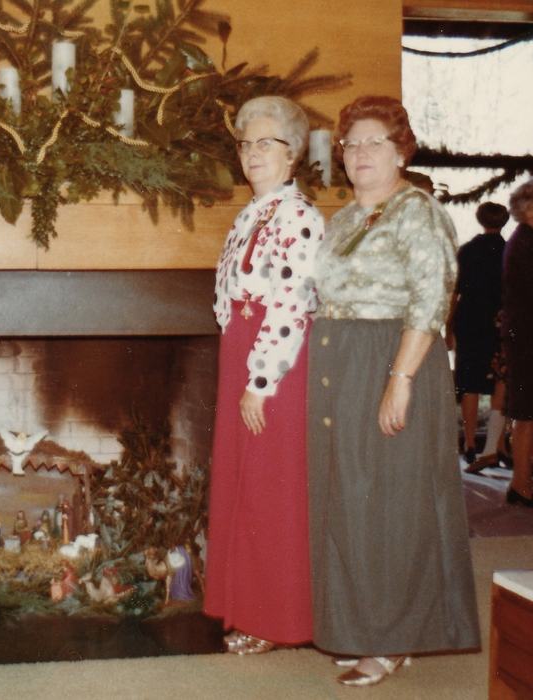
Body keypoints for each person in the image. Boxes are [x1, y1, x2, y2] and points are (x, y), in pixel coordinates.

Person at [308, 96, 480, 686]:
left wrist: (399, 381)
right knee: (350, 502)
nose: (359, 153)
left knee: (391, 505)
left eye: (373, 142)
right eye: (350, 143)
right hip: (343, 365)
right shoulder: (344, 218)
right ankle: (360, 626)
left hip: (395, 360)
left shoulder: (419, 212)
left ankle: (393, 638)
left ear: (400, 150)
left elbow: (431, 302)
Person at [203, 96, 323, 655]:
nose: (253, 153)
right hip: (242, 353)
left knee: (268, 491)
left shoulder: (298, 216)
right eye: (247, 143)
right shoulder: (253, 211)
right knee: (242, 484)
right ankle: (244, 607)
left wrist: (260, 380)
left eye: (266, 143)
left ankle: (276, 619)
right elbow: (232, 295)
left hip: (274, 364)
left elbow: (293, 304)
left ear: (293, 152)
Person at [446, 202, 509, 466]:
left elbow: (454, 292)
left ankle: (470, 442)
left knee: (470, 383)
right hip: (498, 321)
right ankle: (496, 443)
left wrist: (448, 326)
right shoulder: (509, 251)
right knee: (500, 382)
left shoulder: (467, 251)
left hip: (469, 320)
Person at [501, 179, 533, 506]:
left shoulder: (524, 239)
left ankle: (523, 480)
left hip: (524, 335)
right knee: (526, 414)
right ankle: (521, 484)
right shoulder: (526, 242)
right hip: (527, 339)